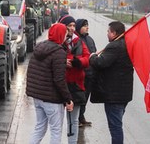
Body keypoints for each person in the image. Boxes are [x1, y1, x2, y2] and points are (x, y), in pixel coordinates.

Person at [26, 23, 74, 144]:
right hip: (52, 99)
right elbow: (59, 80)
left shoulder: (39, 48)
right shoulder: (59, 52)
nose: (66, 36)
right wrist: (68, 99)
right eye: (65, 33)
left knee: (40, 127)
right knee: (56, 130)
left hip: (37, 97)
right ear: (60, 34)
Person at [89, 21, 134, 144]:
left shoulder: (114, 46)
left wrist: (92, 56)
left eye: (108, 31)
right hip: (123, 94)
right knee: (117, 124)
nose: (107, 33)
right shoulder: (127, 44)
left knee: (115, 127)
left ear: (114, 33)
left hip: (114, 96)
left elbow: (100, 63)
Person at [58, 15, 90, 144]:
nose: (72, 28)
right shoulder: (58, 41)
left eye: (73, 25)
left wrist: (77, 62)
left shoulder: (79, 42)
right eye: (69, 26)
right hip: (60, 85)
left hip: (76, 85)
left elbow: (87, 58)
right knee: (57, 121)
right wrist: (62, 61)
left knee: (74, 120)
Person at [75, 19, 97, 127]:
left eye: (87, 25)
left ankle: (81, 116)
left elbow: (94, 54)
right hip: (80, 74)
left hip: (90, 74)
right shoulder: (76, 40)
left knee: (85, 97)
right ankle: (77, 118)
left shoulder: (90, 39)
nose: (87, 27)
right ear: (79, 27)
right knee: (79, 97)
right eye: (84, 26)